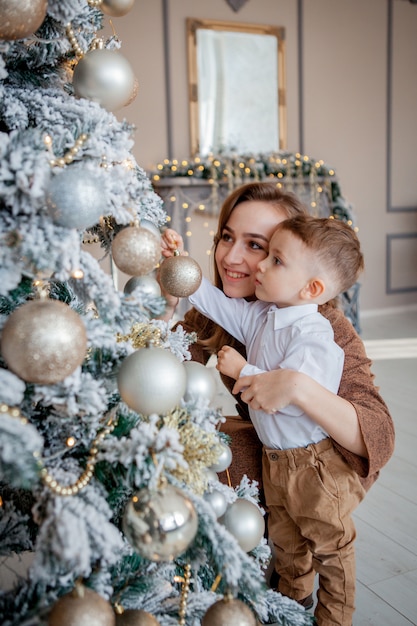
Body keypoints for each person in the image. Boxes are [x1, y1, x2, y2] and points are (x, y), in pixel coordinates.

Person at [160, 182, 394, 622]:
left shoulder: (321, 328)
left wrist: (294, 386)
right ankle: (289, 601)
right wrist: (177, 277)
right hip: (276, 458)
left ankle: (330, 614)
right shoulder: (253, 312)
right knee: (288, 549)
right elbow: (164, 370)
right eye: (226, 237)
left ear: (310, 283)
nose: (233, 258)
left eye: (261, 248)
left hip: (322, 468)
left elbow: (379, 435)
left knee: (328, 552)